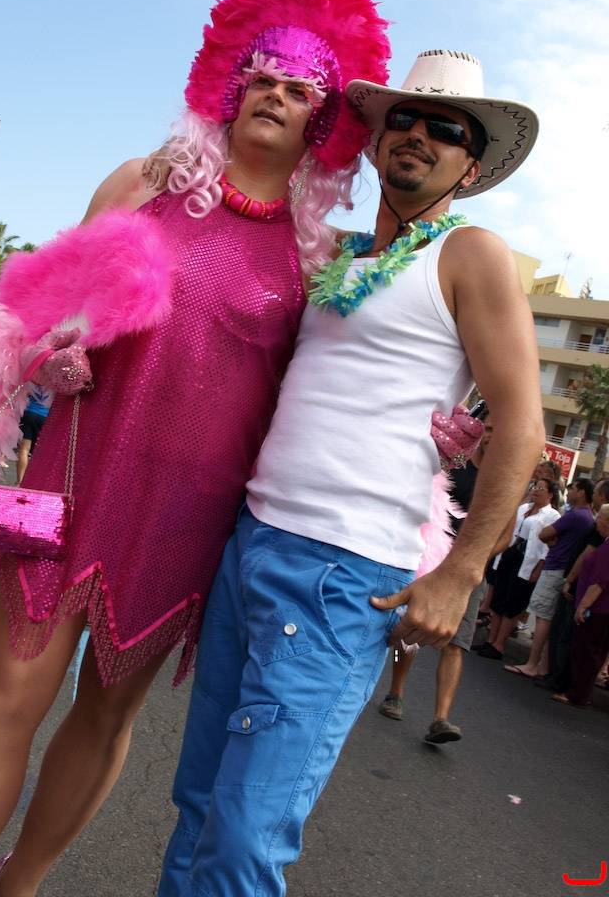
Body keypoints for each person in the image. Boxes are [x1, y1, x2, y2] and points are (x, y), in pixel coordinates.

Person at [0, 0, 392, 896]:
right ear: (232, 85)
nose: (276, 93)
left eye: (301, 88)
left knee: (103, 719)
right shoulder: (146, 183)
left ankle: (19, 884)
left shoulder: (320, 258)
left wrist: (430, 428)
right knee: (7, 698)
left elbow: (336, 386)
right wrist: (52, 349)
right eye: (263, 74)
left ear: (323, 118)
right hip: (73, 477)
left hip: (188, 520)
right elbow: (31, 317)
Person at [158, 49, 545, 897]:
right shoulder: (334, 254)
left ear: (470, 168)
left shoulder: (470, 254)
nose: (418, 134)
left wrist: (460, 573)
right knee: (199, 808)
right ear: (373, 141)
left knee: (246, 839)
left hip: (341, 576)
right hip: (251, 542)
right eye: (402, 118)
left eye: (446, 129)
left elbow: (523, 428)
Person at [378, 411, 498, 743]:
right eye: (488, 428)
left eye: (498, 430)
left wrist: (469, 557)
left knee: (456, 644)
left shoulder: (503, 477)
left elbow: (504, 535)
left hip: (468, 568)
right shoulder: (457, 463)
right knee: (410, 629)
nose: (492, 435)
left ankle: (440, 719)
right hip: (430, 553)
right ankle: (396, 692)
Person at [505, 477, 594, 679]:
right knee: (550, 618)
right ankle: (543, 665)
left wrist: (553, 538)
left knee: (543, 616)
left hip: (555, 568)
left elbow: (544, 534)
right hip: (562, 569)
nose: (569, 492)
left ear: (581, 493)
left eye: (572, 488)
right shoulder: (587, 517)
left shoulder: (575, 516)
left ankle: (533, 664)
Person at [474, 477, 560, 660]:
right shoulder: (524, 508)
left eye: (541, 489)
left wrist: (538, 569)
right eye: (536, 487)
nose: (536, 491)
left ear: (550, 495)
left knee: (512, 603)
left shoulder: (552, 516)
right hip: (509, 554)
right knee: (499, 598)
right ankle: (491, 640)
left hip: (526, 560)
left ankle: (499, 645)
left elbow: (546, 548)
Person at [553, 504, 609, 708]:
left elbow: (600, 580)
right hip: (603, 609)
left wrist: (583, 606)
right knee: (594, 652)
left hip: (598, 609)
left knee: (586, 652)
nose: (596, 522)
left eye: (599, 518)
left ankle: (578, 694)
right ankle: (581, 693)